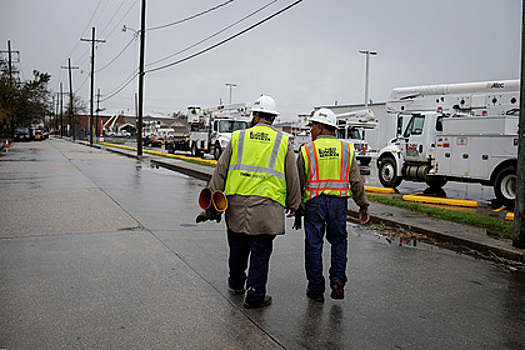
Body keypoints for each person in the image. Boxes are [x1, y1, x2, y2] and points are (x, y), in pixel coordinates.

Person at [208, 95, 301, 309]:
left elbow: (220, 171)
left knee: (238, 246)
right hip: (266, 208)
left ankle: (237, 282)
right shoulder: (283, 141)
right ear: (273, 119)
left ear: (256, 116)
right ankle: (255, 295)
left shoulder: (238, 138)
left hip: (236, 205)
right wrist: (295, 204)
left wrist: (212, 201)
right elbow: (292, 176)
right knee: (260, 252)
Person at [296, 108, 370, 302]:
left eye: (312, 126)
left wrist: (296, 206)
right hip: (338, 203)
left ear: (320, 128)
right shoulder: (346, 149)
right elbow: (356, 181)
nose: (311, 131)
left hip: (314, 203)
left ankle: (315, 289)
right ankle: (337, 279)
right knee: (338, 241)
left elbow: (298, 182)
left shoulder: (307, 150)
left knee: (314, 245)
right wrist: (363, 206)